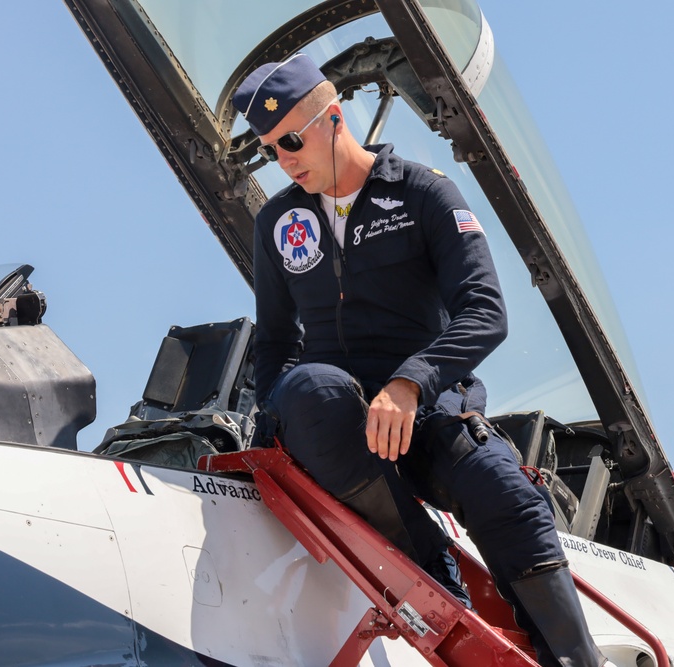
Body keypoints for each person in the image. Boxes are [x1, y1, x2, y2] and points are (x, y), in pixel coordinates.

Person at [233, 53, 611, 667]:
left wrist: (412, 382)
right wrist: (279, 414)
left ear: (333, 119)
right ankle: (436, 576)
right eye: (272, 149)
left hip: (429, 411)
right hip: (342, 424)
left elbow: (486, 310)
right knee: (310, 389)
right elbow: (275, 346)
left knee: (507, 493)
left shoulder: (423, 192)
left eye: (292, 140)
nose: (285, 160)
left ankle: (572, 659)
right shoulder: (278, 223)